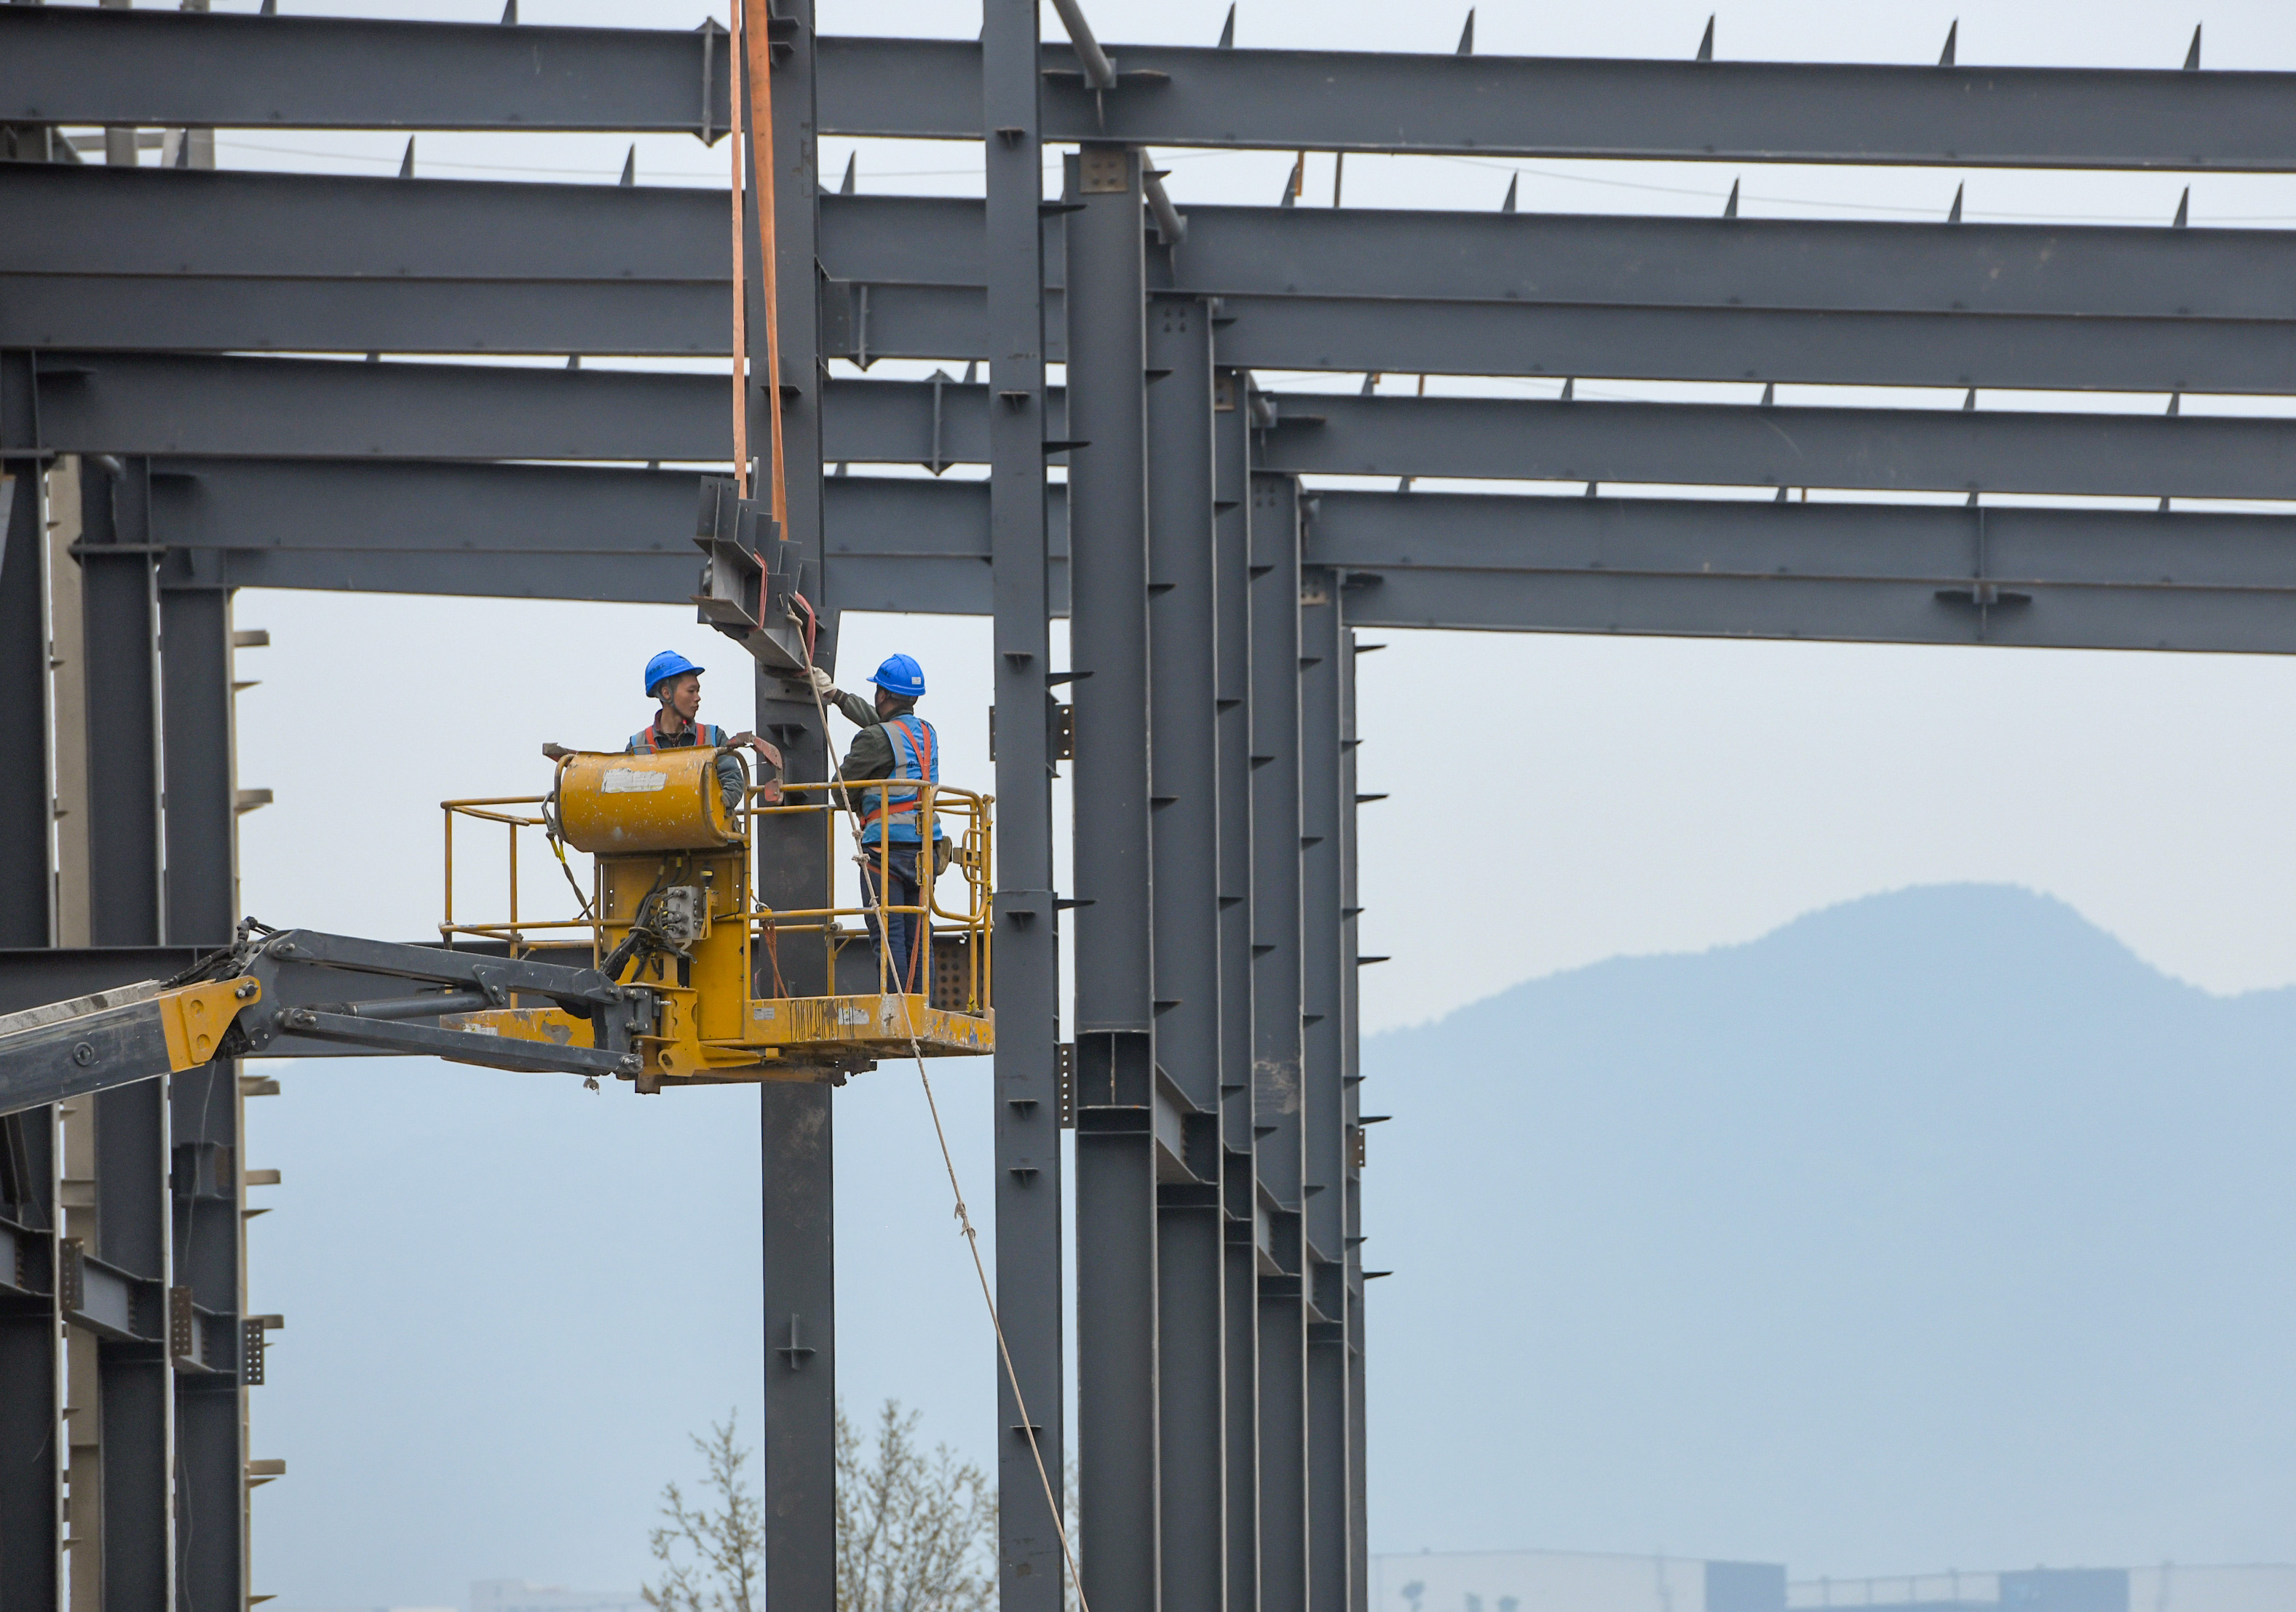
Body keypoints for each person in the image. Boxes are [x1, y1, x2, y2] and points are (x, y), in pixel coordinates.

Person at [812, 652, 946, 993]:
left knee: (889, 934)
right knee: (919, 934)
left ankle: (897, 1006)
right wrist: (836, 696)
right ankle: (920, 1006)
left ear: (882, 694)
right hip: (923, 850)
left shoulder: (874, 739)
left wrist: (861, 806)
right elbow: (885, 729)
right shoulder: (926, 735)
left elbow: (840, 788)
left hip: (884, 851)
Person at [542, 651, 782, 823]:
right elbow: (626, 795)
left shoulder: (712, 737)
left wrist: (706, 813)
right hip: (653, 844)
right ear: (666, 693)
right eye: (691, 691)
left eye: (698, 690)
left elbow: (733, 784)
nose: (698, 698)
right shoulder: (638, 746)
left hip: (708, 842)